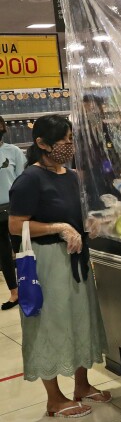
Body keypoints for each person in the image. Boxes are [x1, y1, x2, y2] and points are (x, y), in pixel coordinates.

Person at [8, 115, 109, 419]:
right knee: (50, 325)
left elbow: (77, 211)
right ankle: (54, 398)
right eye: (64, 139)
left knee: (79, 319)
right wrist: (58, 227)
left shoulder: (73, 176)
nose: (69, 145)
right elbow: (15, 225)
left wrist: (89, 222)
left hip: (75, 260)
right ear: (41, 144)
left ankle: (81, 385)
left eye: (70, 138)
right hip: (47, 262)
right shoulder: (29, 179)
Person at [0, 116, 26, 310]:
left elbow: (22, 181)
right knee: (3, 254)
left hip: (14, 208)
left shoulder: (13, 151)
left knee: (22, 250)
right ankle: (14, 292)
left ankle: (28, 286)